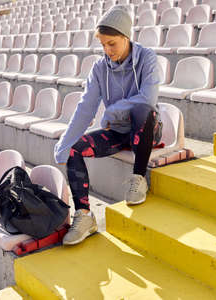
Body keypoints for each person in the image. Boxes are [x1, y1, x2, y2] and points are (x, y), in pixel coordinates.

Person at [54, 5, 162, 245]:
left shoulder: (147, 58)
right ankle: (84, 216)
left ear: (126, 37)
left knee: (142, 111)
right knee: (75, 149)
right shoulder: (99, 68)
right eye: (103, 44)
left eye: (111, 43)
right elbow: (86, 107)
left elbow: (148, 99)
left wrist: (113, 109)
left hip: (145, 130)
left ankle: (138, 178)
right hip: (117, 131)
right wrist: (64, 142)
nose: (106, 50)